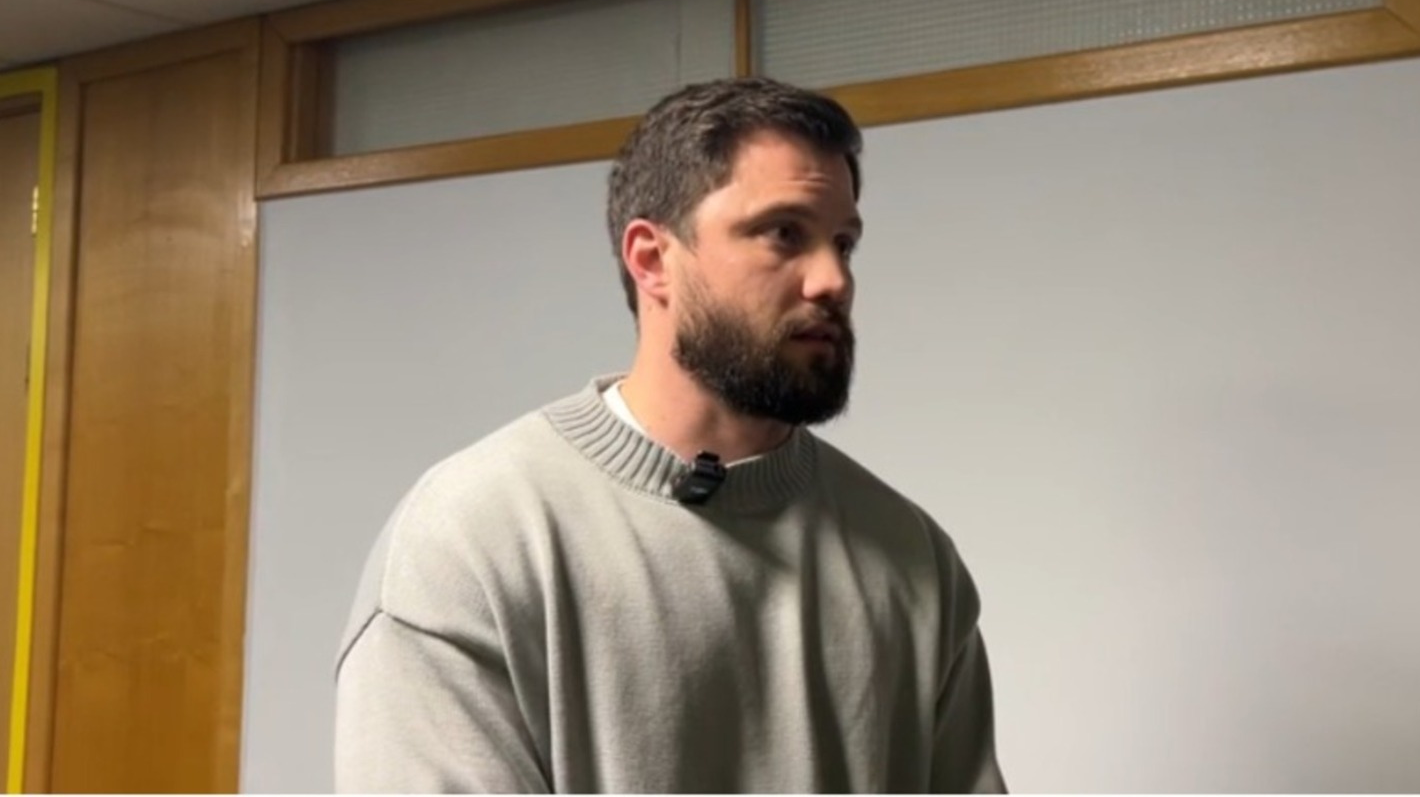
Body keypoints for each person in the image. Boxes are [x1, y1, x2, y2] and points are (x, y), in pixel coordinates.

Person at [333, 77, 1007, 793]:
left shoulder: (913, 557)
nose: (832, 280)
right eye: (784, 233)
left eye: (843, 243)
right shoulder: (473, 540)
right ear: (653, 260)